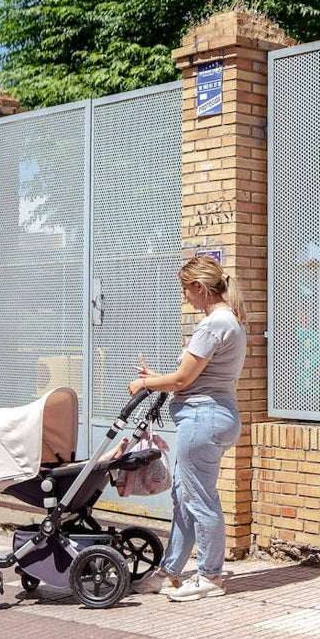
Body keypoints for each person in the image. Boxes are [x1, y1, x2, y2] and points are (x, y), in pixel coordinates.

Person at [127, 254, 247, 602]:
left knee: (200, 499)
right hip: (211, 416)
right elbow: (189, 378)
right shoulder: (230, 321)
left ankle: (209, 576)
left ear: (199, 287)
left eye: (186, 290)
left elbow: (182, 379)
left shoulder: (214, 324)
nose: (185, 298)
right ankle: (169, 572)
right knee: (185, 496)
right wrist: (156, 380)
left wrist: (147, 385)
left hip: (203, 419)